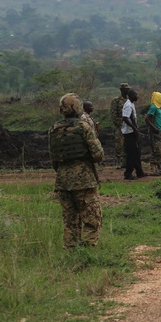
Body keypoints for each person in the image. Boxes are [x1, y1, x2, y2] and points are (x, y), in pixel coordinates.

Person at [48, 93, 104, 248]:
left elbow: (54, 159)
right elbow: (98, 154)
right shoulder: (83, 127)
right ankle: (87, 251)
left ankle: (71, 250)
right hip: (84, 180)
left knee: (70, 221)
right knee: (92, 218)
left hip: (62, 181)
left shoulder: (54, 129)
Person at [121, 89, 147, 180]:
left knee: (137, 153)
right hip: (129, 133)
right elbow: (125, 118)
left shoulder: (131, 104)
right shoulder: (128, 105)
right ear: (131, 95)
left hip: (132, 132)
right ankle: (128, 174)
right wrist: (134, 128)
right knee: (131, 153)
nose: (137, 96)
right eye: (136, 95)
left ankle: (140, 172)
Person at [109, 82, 130, 168]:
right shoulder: (116, 100)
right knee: (119, 144)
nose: (127, 91)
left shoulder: (129, 100)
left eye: (128, 89)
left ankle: (126, 162)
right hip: (120, 126)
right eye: (125, 89)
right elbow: (114, 114)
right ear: (121, 90)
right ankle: (118, 162)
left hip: (128, 126)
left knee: (127, 144)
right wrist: (120, 124)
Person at [144, 91, 161, 176]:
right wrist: (154, 128)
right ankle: (152, 169)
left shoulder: (158, 108)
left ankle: (156, 168)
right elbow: (147, 119)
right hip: (156, 132)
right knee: (157, 151)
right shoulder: (153, 107)